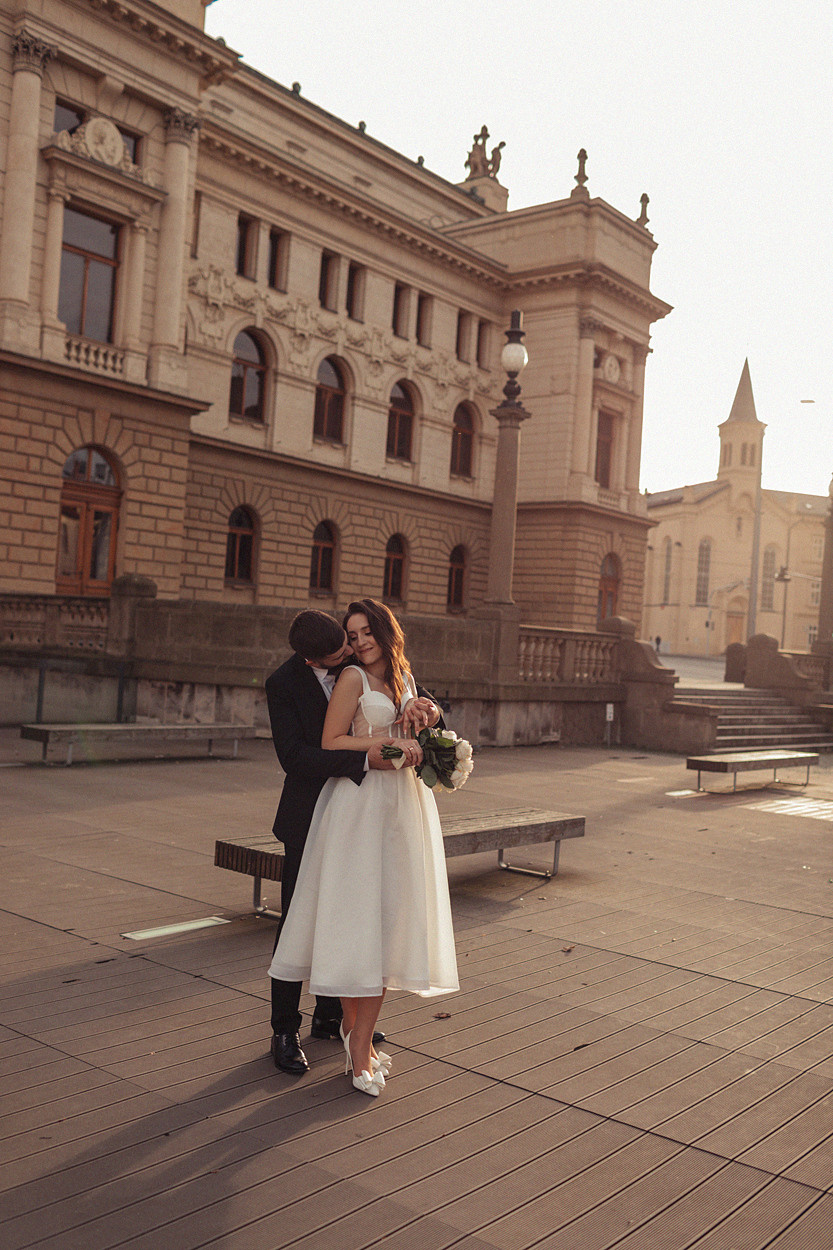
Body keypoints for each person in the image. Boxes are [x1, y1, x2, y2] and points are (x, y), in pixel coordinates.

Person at [269, 599, 459, 1097]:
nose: (351, 649)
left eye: (357, 636)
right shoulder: (287, 683)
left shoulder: (395, 672)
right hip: (325, 808)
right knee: (306, 920)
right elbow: (301, 754)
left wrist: (427, 713)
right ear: (313, 658)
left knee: (375, 917)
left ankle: (339, 1023)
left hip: (394, 808)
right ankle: (286, 1030)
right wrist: (377, 754)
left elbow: (423, 706)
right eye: (345, 644)